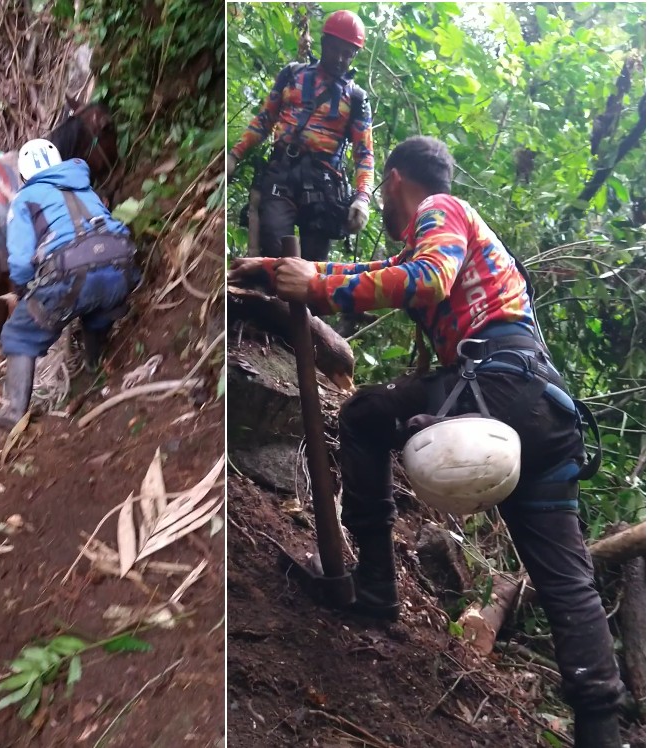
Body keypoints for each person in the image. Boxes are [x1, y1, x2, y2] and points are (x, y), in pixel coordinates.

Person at [229, 136, 626, 746]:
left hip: (496, 387)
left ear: (393, 181)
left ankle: (377, 587)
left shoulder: (440, 208)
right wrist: (293, 275)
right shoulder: (454, 232)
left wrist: (316, 285)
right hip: (542, 413)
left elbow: (426, 279)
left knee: (364, 415)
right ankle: (601, 728)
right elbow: (375, 274)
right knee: (566, 580)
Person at [0, 139, 139, 430]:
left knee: (19, 333)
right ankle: (94, 365)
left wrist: (23, 292)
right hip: (121, 266)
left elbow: (19, 263)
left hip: (68, 275)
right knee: (99, 308)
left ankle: (13, 413)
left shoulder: (24, 199)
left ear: (23, 176)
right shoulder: (85, 187)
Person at [226, 9, 374, 262]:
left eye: (347, 54)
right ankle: (268, 299)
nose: (340, 58)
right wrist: (233, 155)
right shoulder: (292, 75)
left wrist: (362, 198)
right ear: (324, 43)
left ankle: (301, 303)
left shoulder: (357, 98)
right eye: (335, 49)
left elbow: (364, 153)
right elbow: (264, 120)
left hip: (324, 183)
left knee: (313, 266)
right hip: (282, 170)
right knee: (273, 245)